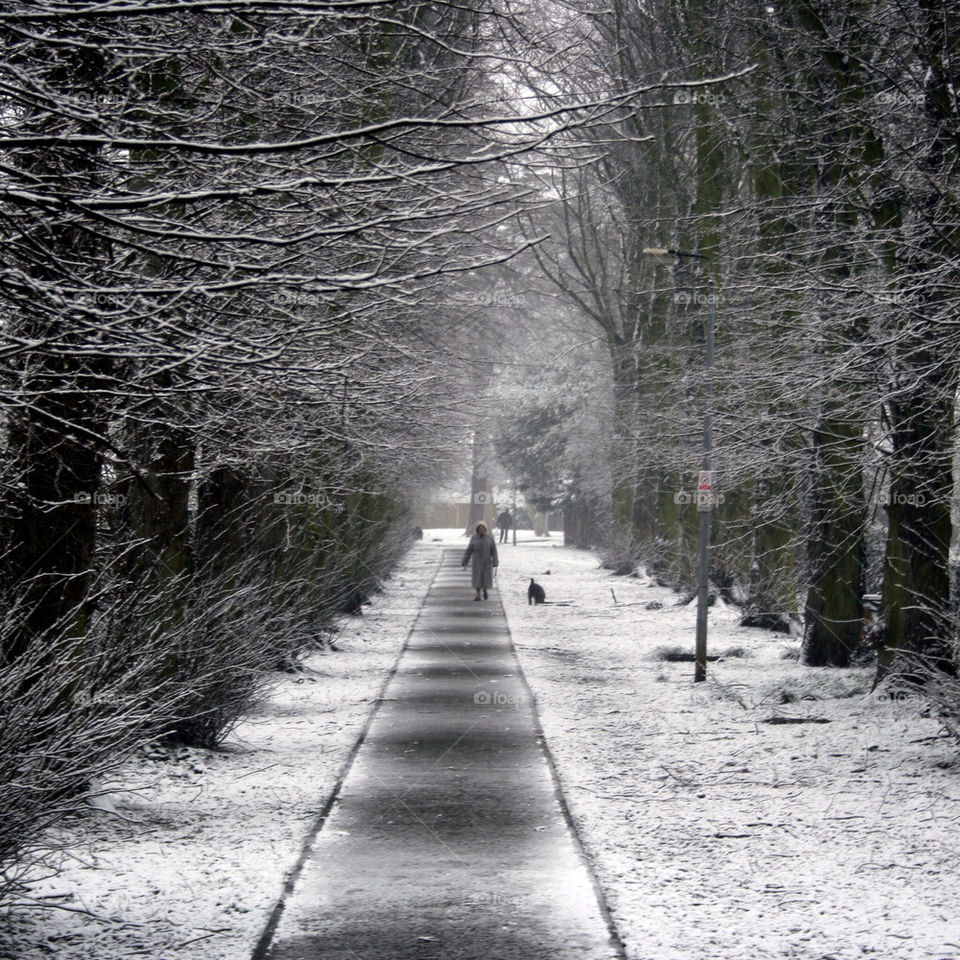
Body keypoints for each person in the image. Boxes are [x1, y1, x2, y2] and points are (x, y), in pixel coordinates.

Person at [462, 522, 498, 600]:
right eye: (480, 529)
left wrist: (495, 562)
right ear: (477, 530)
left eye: (483, 528)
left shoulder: (490, 539)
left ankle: (485, 590)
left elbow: (494, 551)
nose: (481, 530)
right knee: (477, 579)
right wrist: (465, 561)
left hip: (486, 563)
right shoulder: (474, 538)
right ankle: (478, 595)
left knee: (485, 579)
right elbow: (469, 550)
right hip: (477, 562)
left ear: (485, 530)